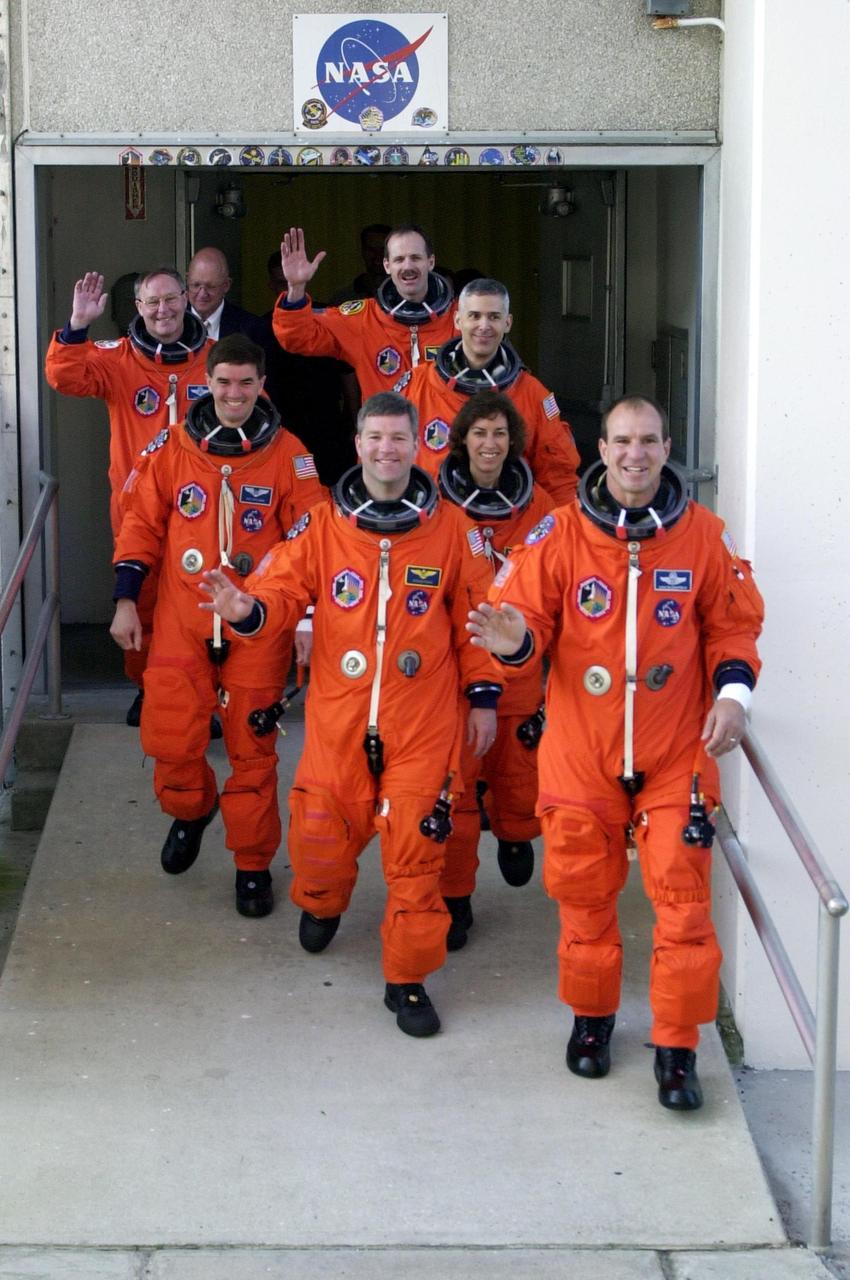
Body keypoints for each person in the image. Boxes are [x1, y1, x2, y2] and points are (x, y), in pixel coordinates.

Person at [467, 395, 764, 1110]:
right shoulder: (561, 537)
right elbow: (524, 619)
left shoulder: (701, 537)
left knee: (684, 905)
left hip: (673, 752)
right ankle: (593, 1020)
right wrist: (512, 643)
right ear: (601, 448)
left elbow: (733, 628)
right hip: (581, 752)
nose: (636, 454)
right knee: (584, 897)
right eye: (623, 440)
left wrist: (734, 698)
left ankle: (677, 1045)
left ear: (668, 450)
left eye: (650, 441)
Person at [200, 391, 501, 1037]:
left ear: (417, 446)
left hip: (422, 725)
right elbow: (281, 590)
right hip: (339, 723)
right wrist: (246, 611)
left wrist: (483, 697)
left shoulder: (453, 530)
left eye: (399, 438)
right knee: (320, 837)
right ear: (358, 445)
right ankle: (322, 902)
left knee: (418, 852)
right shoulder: (326, 527)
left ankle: (408, 980)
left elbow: (481, 623)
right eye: (375, 438)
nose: (387, 450)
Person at [109, 335, 326, 918]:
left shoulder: (289, 455)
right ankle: (190, 810)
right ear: (207, 383)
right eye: (223, 382)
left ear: (262, 386)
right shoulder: (172, 449)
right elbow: (141, 527)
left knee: (252, 751)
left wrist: (306, 616)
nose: (234, 394)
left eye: (245, 383)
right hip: (183, 618)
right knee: (171, 738)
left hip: (256, 624)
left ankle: (252, 865)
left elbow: (312, 538)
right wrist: (126, 600)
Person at [45, 268, 210, 722]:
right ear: (138, 307)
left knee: (203, 601)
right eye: (152, 302)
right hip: (137, 508)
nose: (163, 310)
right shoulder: (118, 359)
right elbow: (64, 377)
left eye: (171, 299)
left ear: (186, 300)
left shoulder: (215, 361)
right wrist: (78, 325)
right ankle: (149, 688)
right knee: (141, 601)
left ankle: (205, 695)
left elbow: (254, 407)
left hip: (206, 507)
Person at [437, 391, 554, 949]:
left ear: (514, 443)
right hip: (455, 668)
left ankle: (513, 833)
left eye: (501, 434)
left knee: (515, 772)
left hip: (517, 666)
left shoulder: (541, 509)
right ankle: (455, 898)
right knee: (456, 793)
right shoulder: (432, 505)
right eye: (480, 433)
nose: (490, 444)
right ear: (462, 440)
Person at [394, 278, 580, 507]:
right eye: (474, 316)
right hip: (437, 523)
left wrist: (564, 533)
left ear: (508, 323)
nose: (484, 326)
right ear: (458, 320)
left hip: (510, 525)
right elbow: (384, 460)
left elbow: (558, 477)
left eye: (494, 317)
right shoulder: (418, 384)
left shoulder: (532, 393)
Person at [273, 225, 456, 400]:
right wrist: (296, 287)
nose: (407, 266)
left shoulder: (462, 318)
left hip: (443, 431)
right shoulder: (364, 319)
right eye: (399, 259)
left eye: (415, 258)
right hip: (385, 431)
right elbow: (297, 337)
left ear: (430, 262)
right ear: (386, 265)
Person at [186, 247, 266, 343]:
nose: (202, 293)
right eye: (196, 285)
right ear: (187, 280)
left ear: (226, 285)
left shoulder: (252, 329)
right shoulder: (171, 323)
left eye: (210, 286)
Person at [327, 222, 392, 304]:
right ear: (363, 251)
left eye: (383, 250)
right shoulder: (343, 298)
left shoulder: (406, 296)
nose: (378, 255)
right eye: (371, 249)